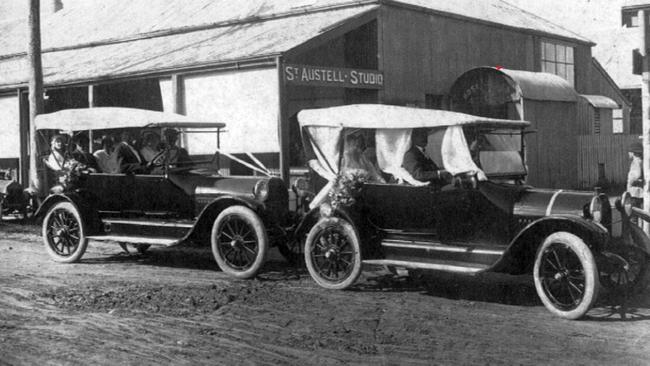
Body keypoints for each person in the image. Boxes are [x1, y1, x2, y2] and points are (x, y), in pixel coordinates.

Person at [627, 141, 644, 211]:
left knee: (634, 213)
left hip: (635, 193)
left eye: (629, 151)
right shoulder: (640, 161)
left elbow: (637, 174)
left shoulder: (636, 161)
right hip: (638, 192)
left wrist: (631, 181)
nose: (628, 153)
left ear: (633, 153)